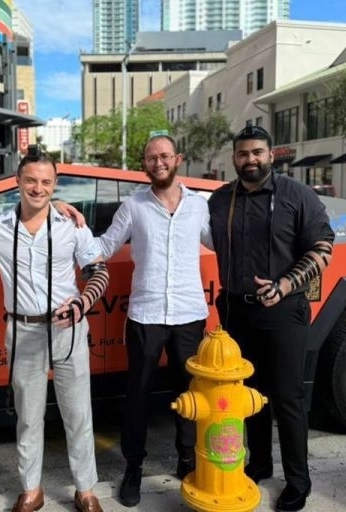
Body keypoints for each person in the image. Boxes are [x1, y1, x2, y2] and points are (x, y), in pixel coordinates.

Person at [0, 147, 109, 512]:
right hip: (23, 331)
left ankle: (85, 489)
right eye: (31, 180)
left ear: (55, 184)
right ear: (17, 181)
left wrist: (82, 303)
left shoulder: (71, 226)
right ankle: (31, 489)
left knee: (78, 414)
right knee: (29, 417)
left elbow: (98, 271)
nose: (38, 188)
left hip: (69, 331)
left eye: (46, 182)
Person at [207, 125, 334, 512]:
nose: (250, 159)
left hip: (283, 310)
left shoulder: (298, 195)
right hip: (235, 309)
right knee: (250, 394)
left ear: (271, 155)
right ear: (234, 158)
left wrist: (284, 284)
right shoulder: (220, 199)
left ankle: (298, 481)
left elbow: (323, 249)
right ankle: (259, 464)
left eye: (257, 152)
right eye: (243, 153)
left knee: (288, 398)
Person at [94, 134, 212, 507]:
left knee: (189, 394)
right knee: (138, 395)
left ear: (178, 159)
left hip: (190, 314)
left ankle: (187, 459)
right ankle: (133, 468)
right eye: (150, 158)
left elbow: (221, 242)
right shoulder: (134, 206)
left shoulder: (199, 206)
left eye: (164, 156)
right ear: (144, 164)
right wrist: (71, 222)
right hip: (146, 315)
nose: (158, 162)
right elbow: (104, 246)